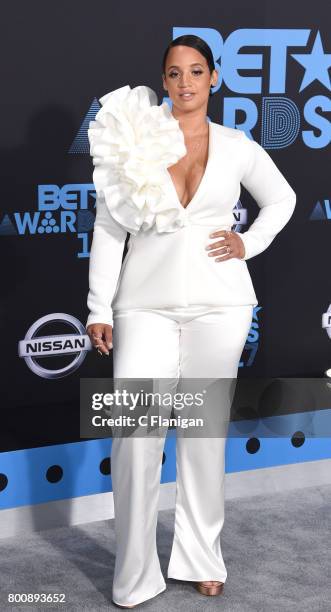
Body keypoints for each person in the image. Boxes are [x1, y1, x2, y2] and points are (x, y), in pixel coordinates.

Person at [85, 34, 296, 609]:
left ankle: (203, 558)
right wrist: (99, 308)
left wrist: (247, 242)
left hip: (220, 306)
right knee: (135, 437)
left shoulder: (236, 146)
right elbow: (109, 227)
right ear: (163, 81)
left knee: (203, 437)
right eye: (174, 74)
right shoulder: (135, 140)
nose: (185, 84)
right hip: (144, 304)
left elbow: (283, 199)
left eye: (196, 72)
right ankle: (134, 575)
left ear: (214, 79)